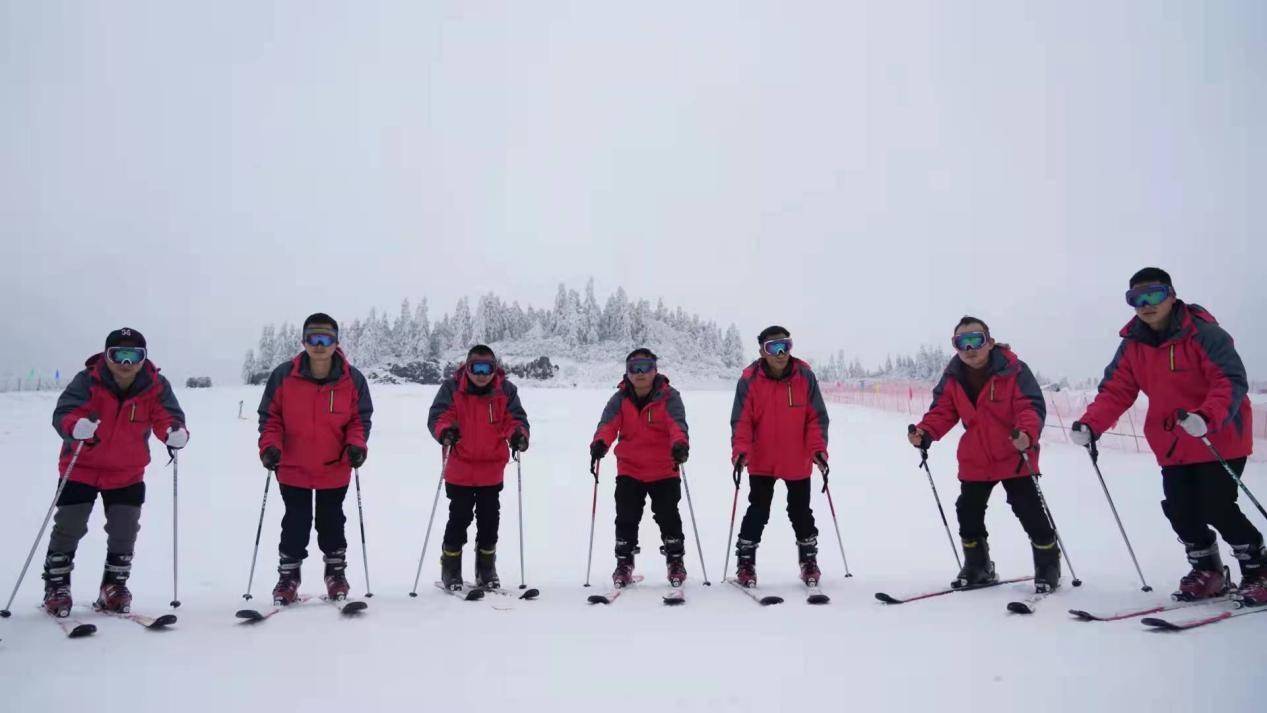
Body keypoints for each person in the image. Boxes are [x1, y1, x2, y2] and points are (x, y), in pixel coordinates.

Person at [1073, 267, 1262, 605]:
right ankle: (1208, 571)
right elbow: (1116, 389)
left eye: (1154, 294)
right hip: (1173, 442)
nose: (1146, 304)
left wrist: (1207, 416)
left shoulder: (1205, 334)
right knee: (1179, 507)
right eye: (1136, 299)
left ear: (1171, 295)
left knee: (1216, 505)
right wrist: (1092, 424)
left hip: (1217, 436)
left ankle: (1258, 569)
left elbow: (1229, 381)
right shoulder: (1133, 345)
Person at [44, 328, 189, 616]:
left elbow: (167, 416)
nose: (126, 363)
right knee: (69, 527)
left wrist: (175, 432)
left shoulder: (155, 385)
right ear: (107, 356)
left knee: (124, 531)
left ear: (143, 358)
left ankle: (114, 585)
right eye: (118, 355)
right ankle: (56, 585)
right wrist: (75, 426)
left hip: (127, 470)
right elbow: (64, 412)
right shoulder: (88, 380)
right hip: (81, 467)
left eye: (134, 355)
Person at [909, 317, 1060, 593]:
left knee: (1028, 510)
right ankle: (978, 566)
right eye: (961, 342)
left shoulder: (1014, 370)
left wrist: (1026, 433)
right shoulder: (953, 377)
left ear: (989, 342)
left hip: (1014, 454)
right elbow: (942, 410)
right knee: (967, 511)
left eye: (975, 339)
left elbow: (1030, 405)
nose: (969, 348)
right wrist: (925, 432)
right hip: (976, 458)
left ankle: (1048, 565)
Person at [258, 313, 372, 604]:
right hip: (292, 466)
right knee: (295, 522)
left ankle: (335, 574)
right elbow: (270, 418)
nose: (319, 345)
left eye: (326, 339)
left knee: (331, 521)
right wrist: (270, 446)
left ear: (336, 342)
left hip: (334, 467)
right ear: (304, 341)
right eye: (313, 338)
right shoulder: (284, 376)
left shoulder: (352, 379)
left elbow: (359, 420)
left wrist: (356, 445)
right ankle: (288, 577)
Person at [730, 326, 830, 587]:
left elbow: (816, 418)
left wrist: (818, 449)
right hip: (761, 460)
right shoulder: (750, 379)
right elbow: (741, 421)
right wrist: (741, 451)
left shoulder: (805, 376)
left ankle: (808, 560)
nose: (781, 352)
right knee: (758, 511)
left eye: (785, 345)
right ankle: (745, 563)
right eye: (773, 347)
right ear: (762, 351)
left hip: (797, 458)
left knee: (800, 512)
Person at [428, 345, 530, 591]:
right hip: (459, 468)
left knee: (489, 520)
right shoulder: (452, 388)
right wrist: (445, 431)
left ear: (495, 369)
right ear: (467, 367)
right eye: (477, 368)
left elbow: (514, 419)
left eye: (488, 368)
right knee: (459, 518)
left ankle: (486, 568)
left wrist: (518, 434)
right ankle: (450, 568)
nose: (482, 374)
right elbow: (438, 416)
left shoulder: (505, 390)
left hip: (491, 469)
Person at [590, 349, 691, 588]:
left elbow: (677, 424)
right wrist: (600, 442)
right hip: (630, 469)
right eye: (634, 368)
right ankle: (624, 563)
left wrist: (680, 444)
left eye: (645, 367)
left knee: (668, 516)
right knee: (626, 517)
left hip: (664, 468)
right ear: (627, 373)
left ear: (655, 370)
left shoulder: (669, 397)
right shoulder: (620, 399)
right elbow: (608, 424)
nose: (640, 373)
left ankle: (675, 560)